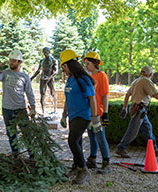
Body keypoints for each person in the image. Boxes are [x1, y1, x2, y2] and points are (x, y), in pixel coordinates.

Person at [60, 49, 99, 184]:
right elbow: (67, 98)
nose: (63, 70)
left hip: (83, 116)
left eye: (64, 67)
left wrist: (95, 118)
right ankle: (76, 167)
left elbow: (92, 99)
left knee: (72, 141)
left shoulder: (83, 79)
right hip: (72, 116)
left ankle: (83, 169)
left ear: (69, 65)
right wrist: (63, 114)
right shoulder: (70, 79)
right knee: (78, 142)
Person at [0, 49, 36, 154]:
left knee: (26, 133)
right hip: (7, 109)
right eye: (10, 60)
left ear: (19, 62)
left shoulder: (24, 76)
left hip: (20, 109)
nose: (11, 63)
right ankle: (15, 154)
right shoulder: (5, 73)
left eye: (13, 61)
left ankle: (32, 154)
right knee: (11, 134)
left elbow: (29, 92)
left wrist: (33, 107)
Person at [116, 66, 158, 158]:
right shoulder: (146, 81)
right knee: (133, 131)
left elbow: (127, 95)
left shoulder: (136, 81)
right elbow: (155, 94)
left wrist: (124, 108)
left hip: (137, 109)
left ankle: (154, 149)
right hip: (139, 109)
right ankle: (121, 148)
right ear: (150, 74)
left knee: (147, 129)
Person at [83, 51, 111, 174]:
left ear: (95, 63)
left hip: (99, 113)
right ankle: (92, 159)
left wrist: (105, 113)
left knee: (100, 137)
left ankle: (106, 163)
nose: (85, 66)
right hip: (90, 113)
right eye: (85, 64)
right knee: (92, 137)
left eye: (87, 63)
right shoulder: (88, 76)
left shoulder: (102, 76)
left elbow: (105, 96)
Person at [31, 47, 58, 114]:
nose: (45, 52)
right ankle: (44, 111)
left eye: (47, 51)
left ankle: (55, 110)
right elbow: (38, 71)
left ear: (49, 51)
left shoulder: (54, 60)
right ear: (43, 52)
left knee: (53, 93)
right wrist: (31, 78)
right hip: (43, 79)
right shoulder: (41, 61)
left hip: (50, 79)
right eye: (44, 51)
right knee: (42, 94)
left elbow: (56, 71)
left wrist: (49, 78)